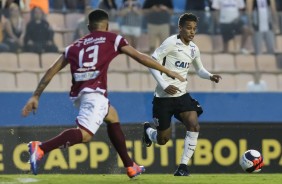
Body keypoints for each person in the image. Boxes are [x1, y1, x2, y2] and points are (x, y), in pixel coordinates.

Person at [21, 9, 185, 178]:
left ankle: (130, 166)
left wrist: (36, 95)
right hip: (94, 94)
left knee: (112, 115)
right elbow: (140, 57)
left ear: (88, 27)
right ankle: (40, 148)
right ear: (107, 25)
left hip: (81, 93)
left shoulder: (74, 46)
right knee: (84, 135)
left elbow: (51, 70)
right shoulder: (112, 38)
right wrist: (167, 71)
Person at [142, 13, 222, 176]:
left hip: (181, 95)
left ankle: (183, 167)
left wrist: (210, 76)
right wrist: (164, 84)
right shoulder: (171, 43)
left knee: (193, 124)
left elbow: (199, 69)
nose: (192, 32)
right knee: (163, 140)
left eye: (194, 29)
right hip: (163, 98)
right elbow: (151, 62)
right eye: (188, 28)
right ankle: (149, 132)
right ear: (180, 28)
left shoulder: (193, 48)